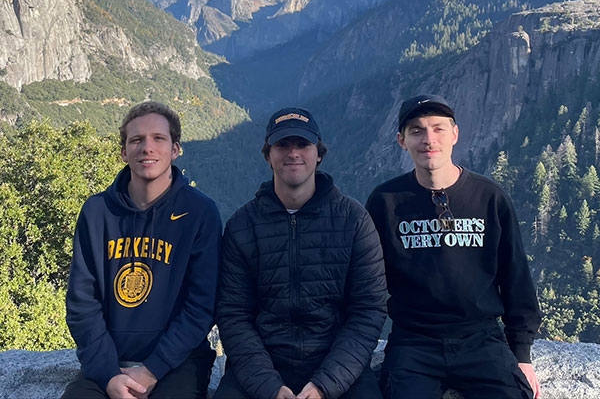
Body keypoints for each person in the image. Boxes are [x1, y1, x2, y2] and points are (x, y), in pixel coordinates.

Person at [366, 94, 543, 399]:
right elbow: (366, 283)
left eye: (438, 129)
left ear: (455, 134)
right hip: (413, 344)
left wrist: (522, 354)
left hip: (482, 341)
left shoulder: (489, 198)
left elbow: (516, 278)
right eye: (417, 130)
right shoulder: (386, 202)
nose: (428, 140)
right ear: (401, 140)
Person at [213, 107, 388, 399]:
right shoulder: (243, 226)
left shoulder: (353, 221)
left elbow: (368, 310)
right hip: (261, 367)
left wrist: (325, 385)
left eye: (302, 144)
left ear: (318, 153)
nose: (293, 153)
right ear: (268, 155)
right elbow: (233, 314)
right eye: (282, 144)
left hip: (336, 365)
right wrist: (269, 387)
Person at [62, 101, 221, 399]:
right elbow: (82, 302)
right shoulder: (97, 212)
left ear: (175, 149)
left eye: (158, 138)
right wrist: (108, 374)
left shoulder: (199, 212)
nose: (147, 147)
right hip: (109, 361)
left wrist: (151, 370)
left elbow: (202, 305)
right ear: (123, 152)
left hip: (178, 362)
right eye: (136, 139)